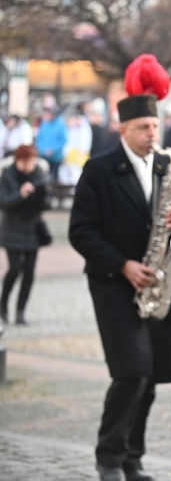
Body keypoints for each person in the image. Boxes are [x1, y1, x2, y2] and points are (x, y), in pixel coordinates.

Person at [68, 54, 171, 481]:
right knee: (131, 372)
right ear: (123, 129)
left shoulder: (166, 164)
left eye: (155, 127)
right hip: (115, 285)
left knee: (153, 375)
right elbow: (80, 232)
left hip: (159, 282)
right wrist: (122, 265)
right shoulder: (99, 169)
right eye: (143, 128)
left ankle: (132, 459)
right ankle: (109, 456)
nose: (152, 135)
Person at [0, 145, 51, 325]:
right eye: (25, 161)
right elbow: (4, 203)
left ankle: (21, 311)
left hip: (32, 229)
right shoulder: (7, 175)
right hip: (12, 229)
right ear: (18, 160)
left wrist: (39, 194)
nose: (29, 165)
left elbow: (47, 203)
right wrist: (21, 194)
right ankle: (3, 305)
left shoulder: (39, 175)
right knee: (14, 269)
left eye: (32, 161)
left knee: (29, 273)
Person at [35, 105, 68, 182]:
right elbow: (39, 138)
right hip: (43, 155)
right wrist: (41, 149)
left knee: (53, 177)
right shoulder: (44, 124)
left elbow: (63, 140)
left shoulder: (60, 125)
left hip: (55, 157)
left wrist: (53, 150)